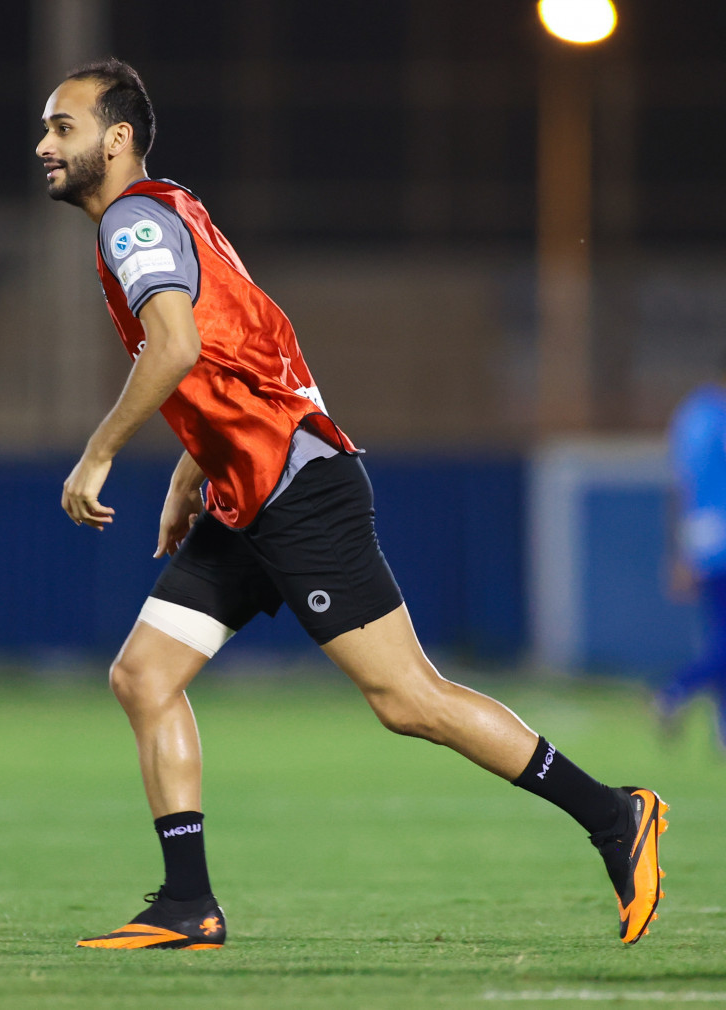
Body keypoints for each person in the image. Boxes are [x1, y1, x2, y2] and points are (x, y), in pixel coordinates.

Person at [35, 57, 666, 949]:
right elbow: (242, 345)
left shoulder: (134, 222)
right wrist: (194, 467)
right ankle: (188, 906)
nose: (44, 144)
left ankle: (615, 815)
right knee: (144, 676)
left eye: (63, 127)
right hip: (247, 492)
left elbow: (174, 349)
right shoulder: (175, 212)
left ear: (118, 139)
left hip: (295, 492)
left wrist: (96, 456)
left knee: (410, 700)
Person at [660, 362, 726, 747]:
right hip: (719, 540)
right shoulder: (714, 417)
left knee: (719, 634)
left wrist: (681, 550)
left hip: (701, 537)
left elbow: (682, 485)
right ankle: (677, 688)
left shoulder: (691, 414)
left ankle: (721, 726)